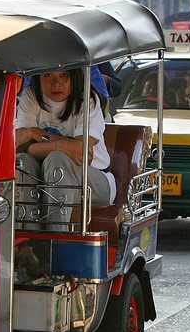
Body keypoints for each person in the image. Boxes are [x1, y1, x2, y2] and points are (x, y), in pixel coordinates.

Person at [15, 69, 116, 231]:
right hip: (42, 175)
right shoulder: (31, 96)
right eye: (47, 75)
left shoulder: (87, 99)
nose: (56, 83)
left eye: (63, 75)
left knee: (57, 159)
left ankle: (55, 241)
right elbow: (20, 144)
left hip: (93, 180)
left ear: (74, 78)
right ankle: (27, 240)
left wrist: (37, 137)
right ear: (38, 78)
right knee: (22, 162)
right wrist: (61, 145)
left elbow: (80, 151)